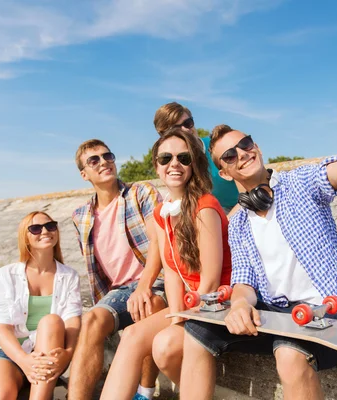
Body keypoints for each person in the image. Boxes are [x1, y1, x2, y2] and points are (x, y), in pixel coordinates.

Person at [179, 76, 337, 399]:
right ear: (223, 172)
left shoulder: (301, 185)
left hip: (327, 313)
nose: (243, 154)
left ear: (257, 146)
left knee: (289, 352)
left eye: (246, 144)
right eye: (230, 155)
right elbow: (244, 282)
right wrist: (239, 304)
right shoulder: (237, 223)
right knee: (196, 331)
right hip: (278, 315)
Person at [99, 128, 232, 399]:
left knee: (164, 345)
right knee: (133, 336)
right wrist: (175, 316)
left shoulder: (205, 206)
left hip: (218, 301)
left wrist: (183, 321)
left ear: (194, 164)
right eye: (166, 158)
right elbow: (171, 272)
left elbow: (210, 278)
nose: (175, 164)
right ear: (157, 166)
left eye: (184, 158)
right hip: (190, 303)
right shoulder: (163, 211)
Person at [68, 139, 166, 400]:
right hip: (120, 291)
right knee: (90, 320)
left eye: (107, 156)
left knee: (148, 305)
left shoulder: (142, 193)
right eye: (94, 160)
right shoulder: (81, 217)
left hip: (156, 281)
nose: (104, 162)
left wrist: (144, 286)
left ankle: (144, 394)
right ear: (84, 174)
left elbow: (160, 244)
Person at [0, 211, 82, 400]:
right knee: (0, 396)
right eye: (36, 228)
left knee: (51, 322)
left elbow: (73, 322)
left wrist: (68, 353)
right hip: (10, 353)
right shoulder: (6, 275)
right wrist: (24, 361)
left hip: (50, 352)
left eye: (51, 226)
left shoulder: (69, 276)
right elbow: (2, 328)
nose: (45, 231)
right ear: (26, 237)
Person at [154, 102, 240, 216]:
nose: (186, 129)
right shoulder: (176, 166)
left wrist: (228, 221)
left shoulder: (218, 145)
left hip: (242, 206)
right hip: (212, 214)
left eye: (188, 123)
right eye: (176, 128)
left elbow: (249, 186)